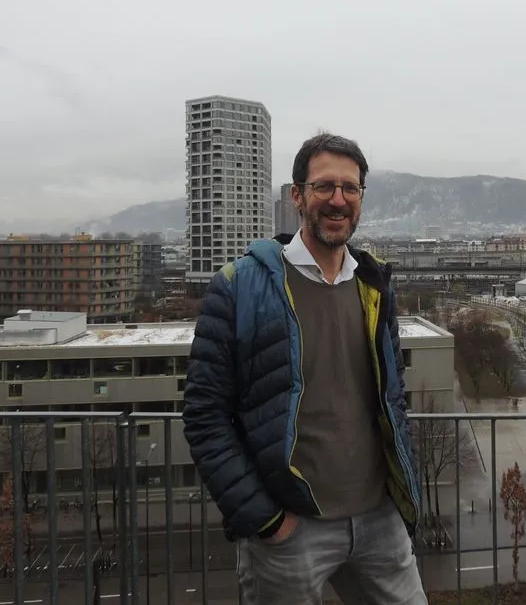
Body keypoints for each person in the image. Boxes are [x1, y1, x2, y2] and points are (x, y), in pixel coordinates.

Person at [183, 132, 427, 605]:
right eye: (324, 186)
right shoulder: (239, 286)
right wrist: (266, 520)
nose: (338, 200)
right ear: (297, 195)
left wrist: (402, 494)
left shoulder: (374, 285)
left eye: (350, 188)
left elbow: (393, 396)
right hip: (290, 530)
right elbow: (204, 414)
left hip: (380, 519)